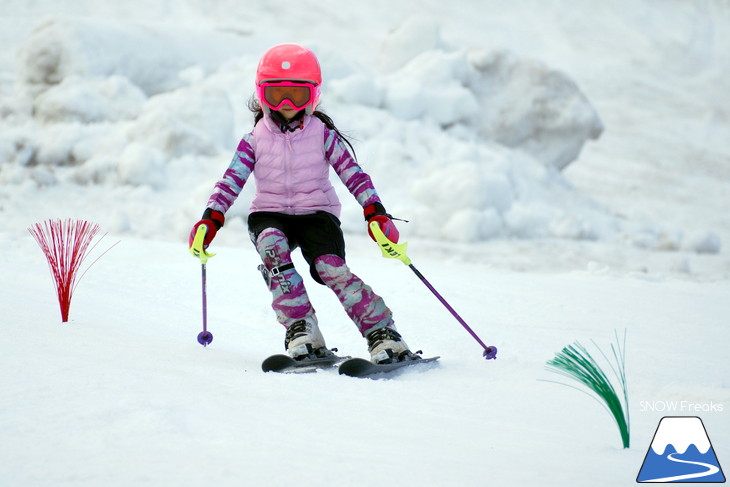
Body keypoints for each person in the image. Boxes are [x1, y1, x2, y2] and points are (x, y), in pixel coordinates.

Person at [189, 43, 415, 364]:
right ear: (261, 95)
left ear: (313, 96)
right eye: (275, 95)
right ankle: (301, 328)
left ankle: (383, 333)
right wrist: (210, 219)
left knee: (329, 268)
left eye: (296, 96)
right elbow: (230, 181)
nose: (285, 105)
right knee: (273, 246)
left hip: (316, 213)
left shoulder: (322, 134)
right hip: (269, 213)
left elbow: (354, 175)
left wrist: (374, 213)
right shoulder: (255, 138)